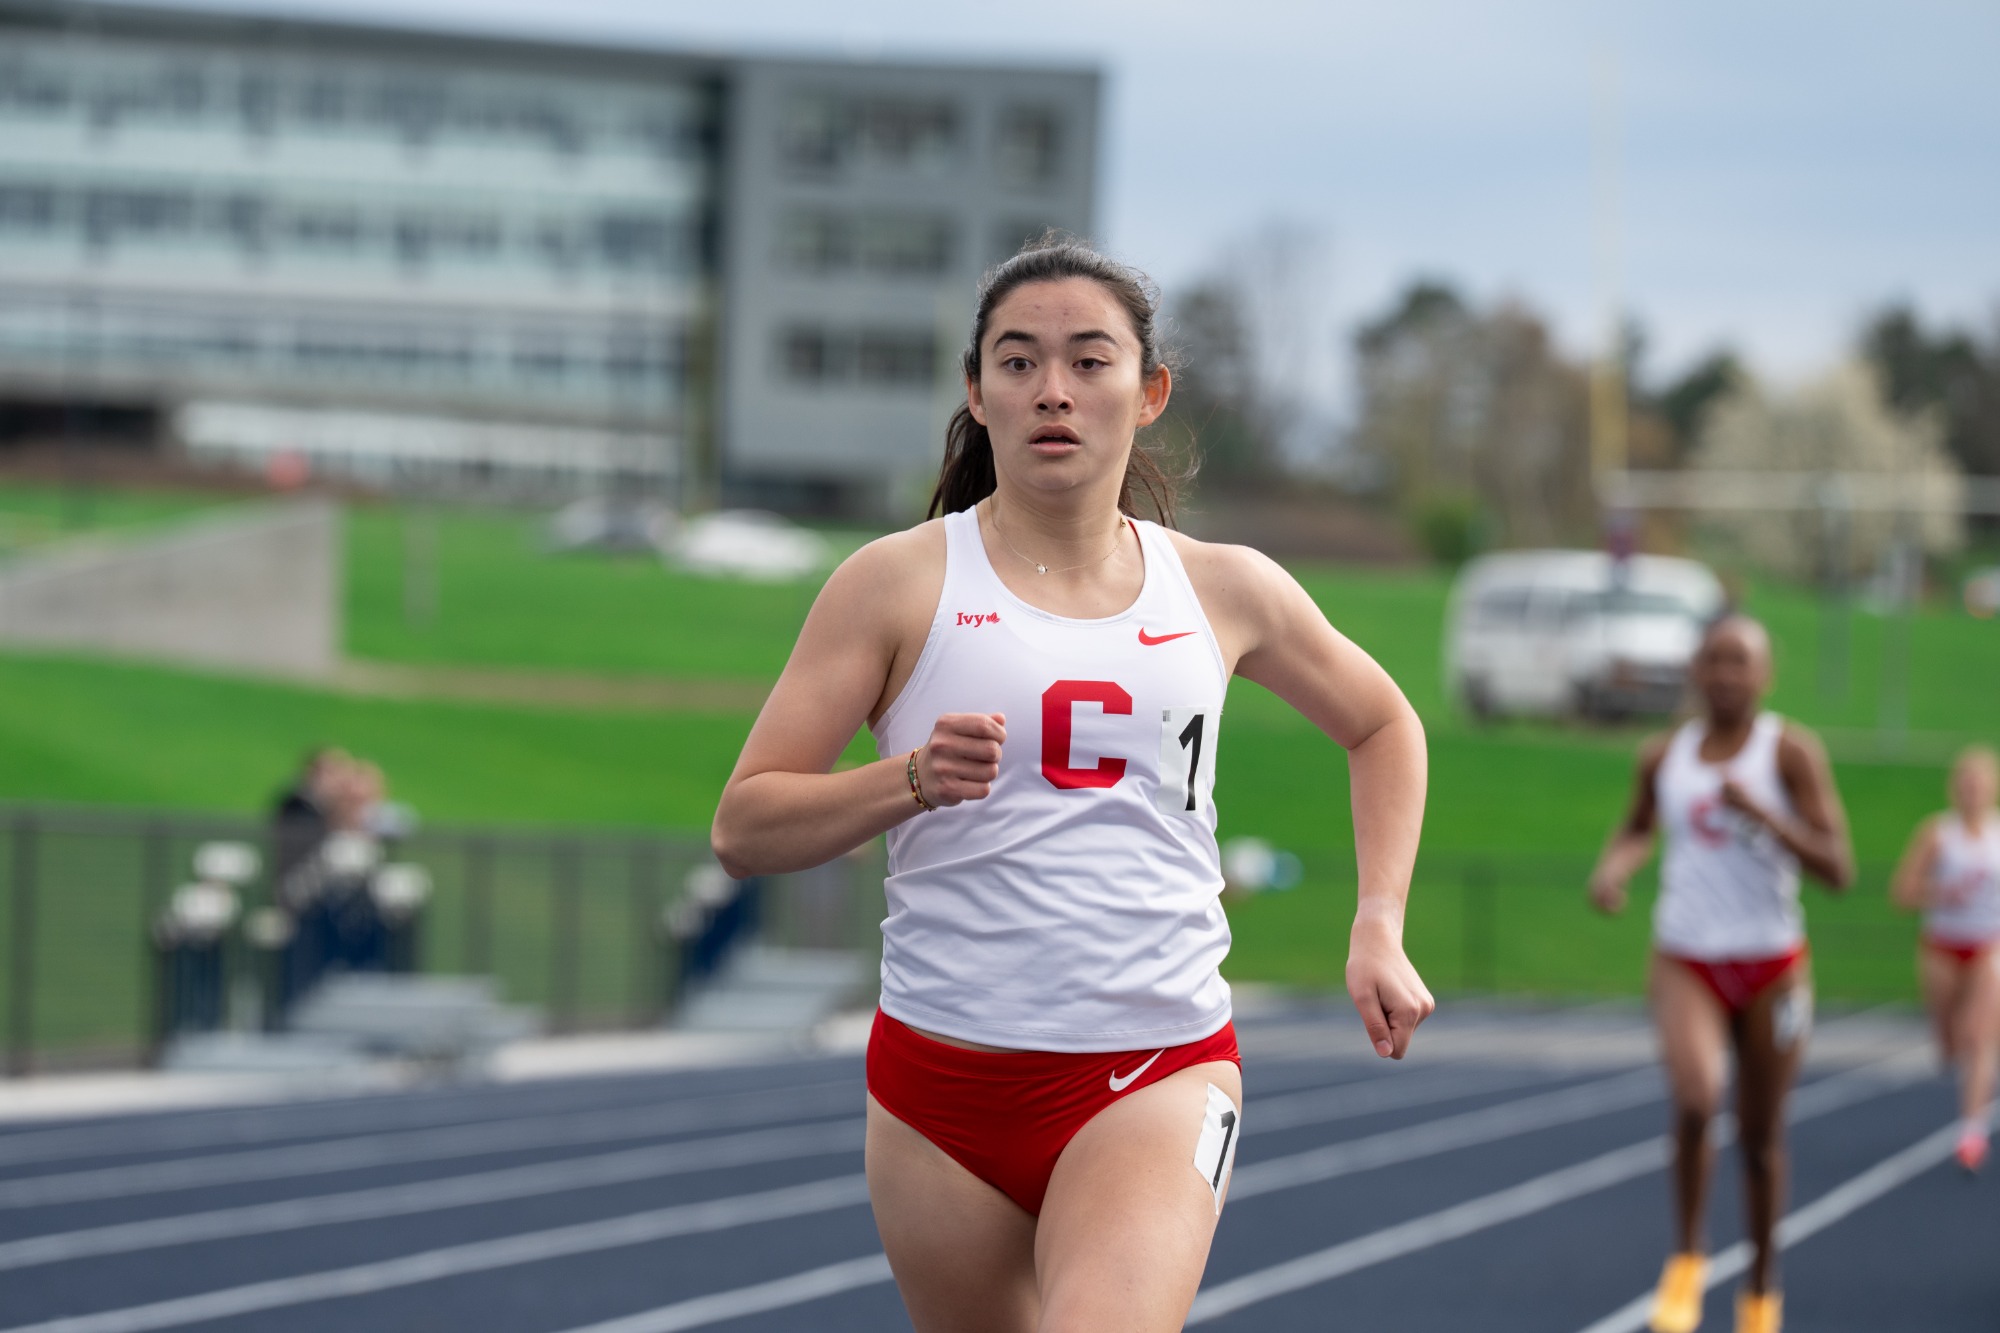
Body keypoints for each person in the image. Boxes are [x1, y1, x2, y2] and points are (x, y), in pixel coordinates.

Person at [711, 236, 1433, 1333]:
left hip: (1154, 1066)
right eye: (1017, 361)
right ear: (975, 389)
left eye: (1088, 361)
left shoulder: (1226, 588)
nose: (1052, 389)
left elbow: (1381, 721)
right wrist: (905, 778)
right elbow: (744, 825)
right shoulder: (896, 583)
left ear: (1148, 393)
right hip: (938, 1094)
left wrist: (1376, 922)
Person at [1589, 616, 1853, 1333]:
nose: (1725, 674)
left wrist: (1766, 813)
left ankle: (1762, 1288)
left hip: (1773, 964)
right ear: (1695, 671)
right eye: (1713, 660)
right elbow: (1639, 823)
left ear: (1765, 674)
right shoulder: (1663, 754)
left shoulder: (1790, 751)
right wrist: (1616, 866)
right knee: (1699, 1097)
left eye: (1740, 661)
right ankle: (1687, 1260)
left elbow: (1839, 868)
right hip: (1687, 956)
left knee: (1762, 1136)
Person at [1889, 744, 2000, 1173]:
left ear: (1991, 788)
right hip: (1943, 947)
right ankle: (1957, 1063)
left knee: (1980, 1036)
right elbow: (1902, 892)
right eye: (1965, 784)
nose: (1972, 792)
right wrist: (1939, 894)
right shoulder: (1938, 834)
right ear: (1955, 789)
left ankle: (1972, 1131)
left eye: (1980, 784)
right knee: (1949, 1044)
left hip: (1988, 944)